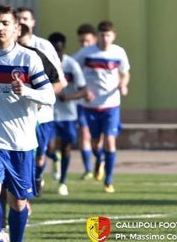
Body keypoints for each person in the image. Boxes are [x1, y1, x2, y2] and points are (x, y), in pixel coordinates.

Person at [0, 4, 55, 242]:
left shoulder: (29, 59)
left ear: (17, 28)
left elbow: (49, 96)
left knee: (18, 203)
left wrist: (26, 91)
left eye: (4, 23)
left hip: (22, 144)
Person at [74, 20, 130, 193]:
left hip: (111, 105)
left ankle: (108, 180)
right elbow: (73, 70)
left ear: (113, 36)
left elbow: (125, 73)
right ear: (97, 36)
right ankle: (99, 160)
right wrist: (83, 89)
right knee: (95, 143)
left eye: (108, 35)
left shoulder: (119, 52)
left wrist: (124, 84)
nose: (105, 39)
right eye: (101, 35)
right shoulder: (86, 53)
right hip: (90, 105)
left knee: (110, 140)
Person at [16, 7, 67, 195]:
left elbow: (60, 81)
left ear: (32, 22)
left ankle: (36, 178)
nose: (22, 22)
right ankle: (23, 192)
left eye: (25, 18)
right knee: (22, 155)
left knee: (38, 156)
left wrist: (37, 98)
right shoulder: (6, 48)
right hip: (16, 116)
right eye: (18, 18)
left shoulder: (43, 47)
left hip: (42, 116)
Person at [48, 32, 87, 195]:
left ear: (64, 48)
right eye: (54, 51)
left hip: (68, 115)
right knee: (47, 148)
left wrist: (68, 97)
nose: (57, 54)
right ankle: (54, 159)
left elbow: (83, 90)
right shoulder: (43, 63)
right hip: (47, 114)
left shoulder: (72, 65)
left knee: (66, 148)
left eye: (60, 50)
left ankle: (63, 181)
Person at [75, 23, 98, 180]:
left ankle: (100, 160)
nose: (84, 44)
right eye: (81, 41)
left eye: (87, 41)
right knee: (84, 134)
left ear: (94, 39)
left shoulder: (105, 54)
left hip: (103, 104)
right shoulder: (79, 56)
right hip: (83, 103)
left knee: (99, 140)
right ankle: (88, 168)